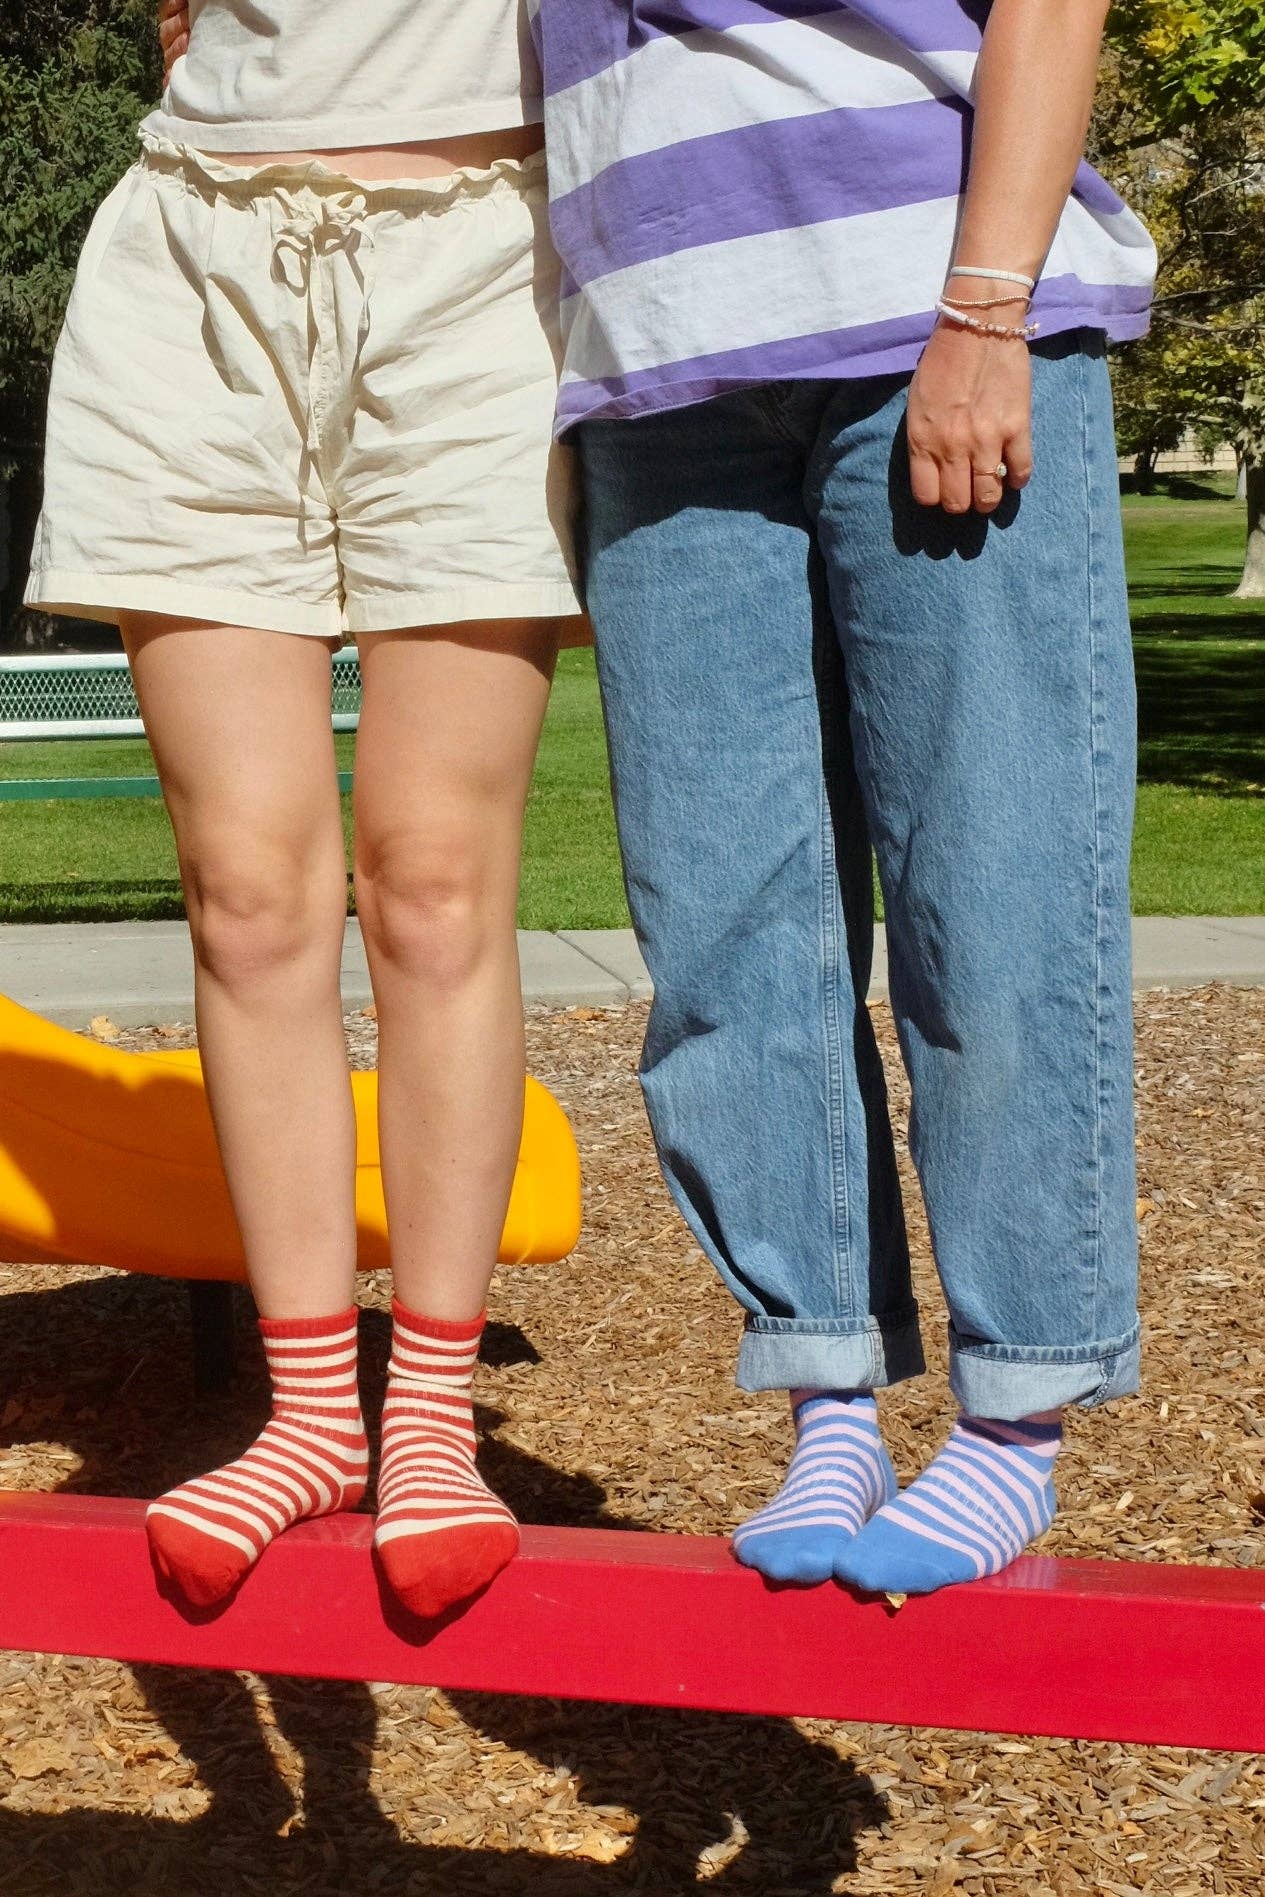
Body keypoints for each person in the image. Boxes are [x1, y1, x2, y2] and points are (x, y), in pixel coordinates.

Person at [531, 0, 1155, 1593]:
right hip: (656, 363)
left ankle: (1015, 1415)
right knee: (724, 925)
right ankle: (827, 1395)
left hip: (919, 294)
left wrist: (987, 305)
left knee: (990, 883)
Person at [26, 1, 583, 1617]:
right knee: (246, 889)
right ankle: (311, 1415)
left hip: (484, 263)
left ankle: (431, 1419)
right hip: (193, 263)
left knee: (434, 879)